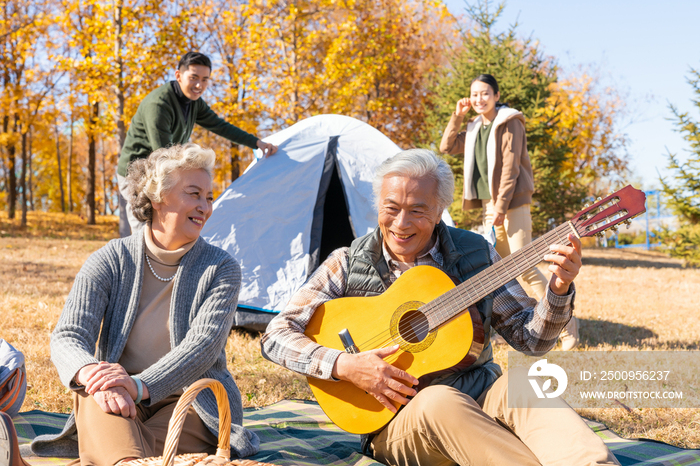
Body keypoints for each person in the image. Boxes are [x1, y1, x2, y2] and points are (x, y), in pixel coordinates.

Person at [261, 149, 619, 466]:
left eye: (417, 210)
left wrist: (558, 289)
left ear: (440, 211)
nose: (401, 224)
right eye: (391, 208)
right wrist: (345, 364)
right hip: (397, 422)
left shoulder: (476, 255)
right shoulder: (347, 262)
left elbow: (532, 341)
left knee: (523, 382)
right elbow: (275, 336)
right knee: (438, 400)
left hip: (480, 395)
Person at [30, 144, 259, 466]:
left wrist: (138, 385)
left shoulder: (221, 268)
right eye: (194, 194)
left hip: (193, 401)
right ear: (157, 198)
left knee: (125, 444)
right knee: (93, 397)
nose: (205, 207)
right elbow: (69, 335)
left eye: (208, 197)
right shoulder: (110, 259)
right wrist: (93, 373)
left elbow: (202, 347)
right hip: (115, 392)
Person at [439, 73, 579, 350]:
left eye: (485, 94)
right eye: (474, 94)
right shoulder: (477, 127)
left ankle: (567, 329)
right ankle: (517, 323)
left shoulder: (509, 122)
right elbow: (446, 146)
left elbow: (511, 168)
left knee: (524, 266)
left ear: (497, 96)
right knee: (501, 269)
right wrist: (457, 117)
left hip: (511, 201)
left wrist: (500, 208)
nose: (479, 99)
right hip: (492, 203)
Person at [117, 51, 278, 236]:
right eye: (193, 78)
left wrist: (256, 143)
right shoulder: (159, 105)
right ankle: (137, 262)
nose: (199, 85)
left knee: (166, 230)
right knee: (144, 229)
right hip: (138, 172)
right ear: (178, 75)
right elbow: (162, 153)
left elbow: (220, 126)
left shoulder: (194, 102)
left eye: (205, 79)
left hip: (161, 169)